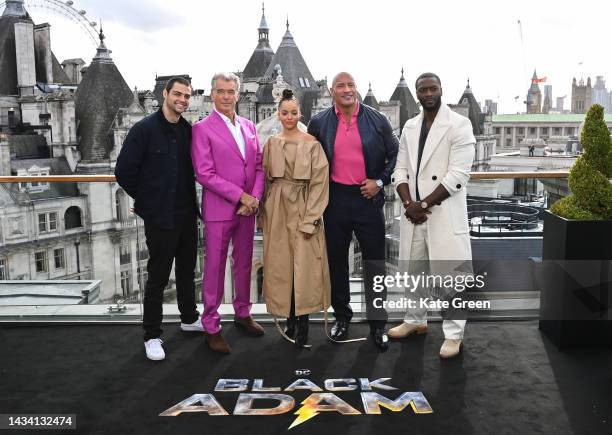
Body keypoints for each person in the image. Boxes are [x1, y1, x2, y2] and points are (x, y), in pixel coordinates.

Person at [307, 72, 399, 351]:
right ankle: (342, 318)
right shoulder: (319, 122)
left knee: (375, 263)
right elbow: (307, 158)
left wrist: (380, 181)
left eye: (351, 85)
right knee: (337, 263)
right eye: (341, 86)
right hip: (335, 199)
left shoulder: (377, 119)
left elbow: (396, 155)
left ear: (355, 89)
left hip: (367, 197)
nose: (347, 90)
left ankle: (378, 324)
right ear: (332, 91)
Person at [388, 72, 476, 359]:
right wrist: (407, 203)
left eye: (432, 88)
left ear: (441, 90)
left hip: (441, 213)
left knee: (449, 277)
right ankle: (415, 320)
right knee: (413, 272)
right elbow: (399, 170)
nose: (428, 93)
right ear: (417, 94)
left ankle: (454, 334)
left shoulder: (460, 125)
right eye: (422, 89)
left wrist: (421, 205)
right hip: (413, 213)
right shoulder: (410, 127)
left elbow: (458, 175)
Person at [115, 76, 202, 361]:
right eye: (178, 94)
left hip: (187, 212)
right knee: (158, 277)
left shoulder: (188, 130)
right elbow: (124, 172)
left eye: (187, 96)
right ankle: (152, 335)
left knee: (187, 270)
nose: (183, 100)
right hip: (160, 216)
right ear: (165, 94)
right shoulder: (144, 130)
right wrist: (148, 201)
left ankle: (189, 317)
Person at [191, 72, 265, 354]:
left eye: (230, 91)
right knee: (214, 267)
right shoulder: (202, 128)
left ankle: (243, 314)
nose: (225, 96)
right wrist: (241, 196)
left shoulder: (249, 126)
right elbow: (205, 174)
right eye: (220, 91)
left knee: (244, 263)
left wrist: (254, 198)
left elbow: (258, 166)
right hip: (220, 209)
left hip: (248, 210)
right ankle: (211, 325)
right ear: (212, 94)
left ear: (238, 94)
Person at [259, 89, 330, 348]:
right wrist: (263, 216)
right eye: (284, 112)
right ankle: (289, 319)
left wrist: (311, 218)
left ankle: (303, 325)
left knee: (306, 267)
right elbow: (264, 181)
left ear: (301, 114)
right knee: (281, 266)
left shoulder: (312, 143)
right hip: (277, 211)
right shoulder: (271, 143)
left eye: (294, 112)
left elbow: (320, 184)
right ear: (278, 114)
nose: (289, 117)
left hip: (302, 207)